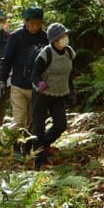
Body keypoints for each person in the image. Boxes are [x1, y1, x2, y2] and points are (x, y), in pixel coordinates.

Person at [0, 6, 49, 158]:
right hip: (18, 85)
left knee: (33, 120)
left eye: (38, 23)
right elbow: (6, 60)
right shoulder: (16, 37)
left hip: (37, 87)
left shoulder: (45, 38)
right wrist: (2, 80)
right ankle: (16, 149)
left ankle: (27, 148)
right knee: (19, 119)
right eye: (32, 23)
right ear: (26, 22)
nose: (34, 26)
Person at [29, 23, 78, 168]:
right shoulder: (46, 54)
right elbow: (34, 75)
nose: (65, 38)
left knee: (60, 125)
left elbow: (68, 74)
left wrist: (72, 91)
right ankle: (39, 161)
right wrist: (40, 84)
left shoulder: (69, 52)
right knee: (39, 127)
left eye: (65, 35)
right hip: (42, 95)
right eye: (62, 36)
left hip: (59, 94)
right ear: (55, 40)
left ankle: (41, 146)